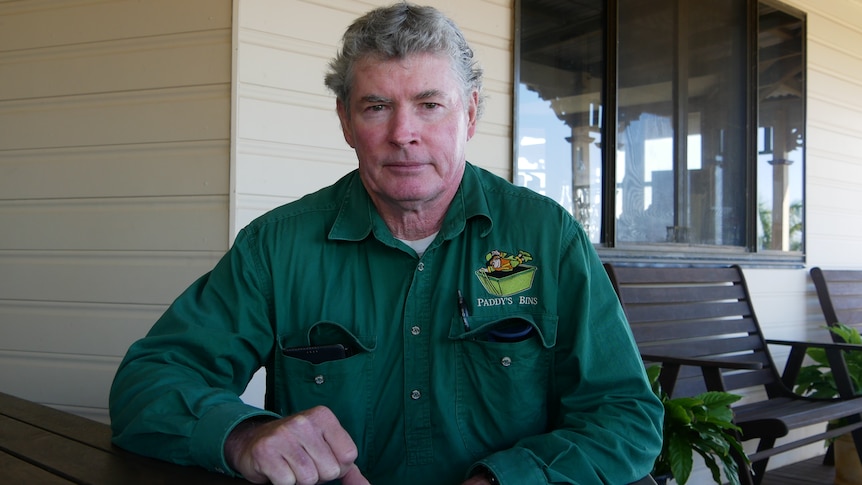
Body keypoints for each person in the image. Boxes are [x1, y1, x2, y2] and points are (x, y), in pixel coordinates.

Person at [109, 3, 663, 484]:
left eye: (429, 104)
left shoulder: (547, 237)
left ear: (469, 114)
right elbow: (148, 385)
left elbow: (624, 415)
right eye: (377, 107)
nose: (403, 133)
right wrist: (243, 437)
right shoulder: (276, 248)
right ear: (347, 122)